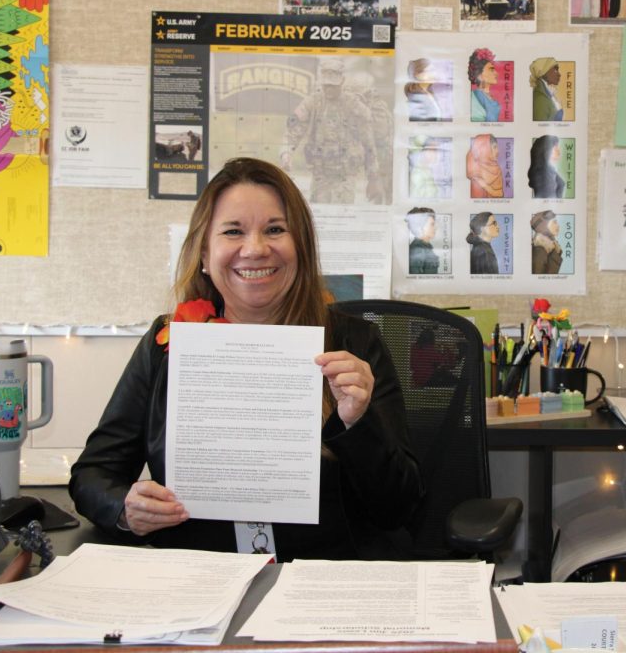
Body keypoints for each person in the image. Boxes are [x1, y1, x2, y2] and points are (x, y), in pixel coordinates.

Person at [69, 158, 424, 560]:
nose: (255, 249)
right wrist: (125, 508)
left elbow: (399, 508)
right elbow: (93, 476)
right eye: (233, 231)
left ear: (301, 248)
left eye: (275, 230)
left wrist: (358, 422)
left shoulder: (355, 344)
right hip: (200, 573)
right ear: (205, 253)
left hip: (322, 579)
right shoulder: (167, 343)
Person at [284, 58, 380, 204]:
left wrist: (373, 178)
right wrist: (286, 154)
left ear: (341, 81)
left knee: (342, 217)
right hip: (320, 174)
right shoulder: (313, 102)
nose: (328, 89)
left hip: (345, 176)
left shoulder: (354, 105)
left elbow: (369, 143)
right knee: (320, 218)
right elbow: (294, 130)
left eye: (333, 85)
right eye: (326, 85)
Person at [466, 133, 504, 198]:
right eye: (494, 147)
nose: (498, 151)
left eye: (497, 147)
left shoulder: (497, 169)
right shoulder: (476, 175)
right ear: (485, 149)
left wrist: (487, 187)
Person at [528, 135, 566, 199]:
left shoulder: (550, 169)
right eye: (555, 148)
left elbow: (561, 184)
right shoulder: (543, 175)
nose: (559, 152)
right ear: (546, 151)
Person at [468, 48, 501, 122]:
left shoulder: (488, 96)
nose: (496, 73)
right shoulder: (475, 97)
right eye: (491, 70)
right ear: (480, 76)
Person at [405, 206, 440, 275]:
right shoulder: (418, 251)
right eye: (432, 224)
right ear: (420, 227)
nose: (436, 227)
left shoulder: (425, 248)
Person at [530, 57, 564, 122]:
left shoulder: (548, 92)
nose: (559, 74)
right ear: (544, 71)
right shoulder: (540, 97)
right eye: (555, 69)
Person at [530, 210, 563, 275]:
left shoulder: (551, 249)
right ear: (543, 226)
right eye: (554, 222)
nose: (558, 226)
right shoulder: (540, 251)